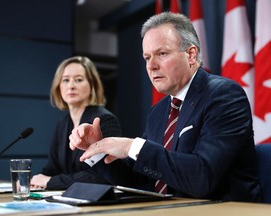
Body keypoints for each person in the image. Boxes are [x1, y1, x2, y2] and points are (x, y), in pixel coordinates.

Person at [69, 12, 262, 202]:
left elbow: (203, 178)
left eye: (162, 54)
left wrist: (132, 146)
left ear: (191, 54)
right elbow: (141, 180)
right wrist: (97, 149)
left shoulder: (223, 95)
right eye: (147, 57)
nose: (151, 66)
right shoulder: (159, 111)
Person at [30, 56, 122, 190]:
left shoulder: (104, 120)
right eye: (65, 80)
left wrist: (49, 182)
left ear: (92, 85)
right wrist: (36, 181)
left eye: (78, 80)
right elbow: (52, 167)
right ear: (58, 87)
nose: (71, 86)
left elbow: (99, 177)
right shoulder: (62, 124)